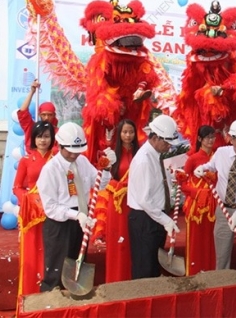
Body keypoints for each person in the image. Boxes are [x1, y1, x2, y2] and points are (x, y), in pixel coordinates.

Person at [37, 122, 115, 291]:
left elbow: (99, 184)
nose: (74, 155)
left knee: (77, 267)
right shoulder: (51, 169)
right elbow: (50, 207)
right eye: (70, 151)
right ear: (59, 145)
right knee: (57, 271)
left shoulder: (83, 161)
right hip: (61, 224)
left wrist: (107, 169)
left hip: (82, 219)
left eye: (78, 151)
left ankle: (73, 306)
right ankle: (50, 306)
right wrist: (75, 215)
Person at [194, 118, 236, 270]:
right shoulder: (221, 153)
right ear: (231, 139)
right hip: (223, 211)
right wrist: (202, 168)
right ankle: (222, 285)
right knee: (222, 253)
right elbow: (211, 165)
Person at [127, 114, 181, 279]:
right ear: (155, 137)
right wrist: (165, 220)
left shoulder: (156, 155)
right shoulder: (144, 160)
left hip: (155, 216)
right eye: (166, 143)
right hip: (145, 219)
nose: (169, 147)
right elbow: (144, 199)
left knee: (153, 266)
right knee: (145, 267)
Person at [14, 121, 54, 296]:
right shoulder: (25, 161)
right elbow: (17, 187)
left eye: (46, 136)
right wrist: (31, 200)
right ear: (33, 139)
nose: (43, 140)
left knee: (50, 253)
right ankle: (30, 296)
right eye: (39, 136)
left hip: (54, 213)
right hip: (32, 215)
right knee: (32, 254)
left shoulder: (58, 159)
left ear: (52, 138)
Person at [102, 119, 140, 282]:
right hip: (117, 203)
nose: (128, 135)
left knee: (133, 240)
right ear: (119, 134)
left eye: (131, 132)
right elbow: (103, 179)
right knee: (118, 240)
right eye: (125, 132)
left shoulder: (140, 153)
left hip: (134, 201)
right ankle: (115, 278)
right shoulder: (112, 154)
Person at [181, 125, 217, 274]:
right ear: (200, 139)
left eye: (213, 137)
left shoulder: (217, 157)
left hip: (215, 206)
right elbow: (182, 183)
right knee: (197, 241)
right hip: (196, 207)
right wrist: (197, 192)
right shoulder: (193, 159)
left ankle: (213, 272)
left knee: (213, 241)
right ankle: (194, 272)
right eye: (207, 137)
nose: (211, 140)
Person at [17, 79, 58, 154]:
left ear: (54, 115)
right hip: (33, 162)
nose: (46, 117)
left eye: (50, 115)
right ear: (39, 114)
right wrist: (32, 92)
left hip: (51, 162)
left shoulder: (59, 132)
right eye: (44, 114)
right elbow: (22, 112)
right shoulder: (32, 128)